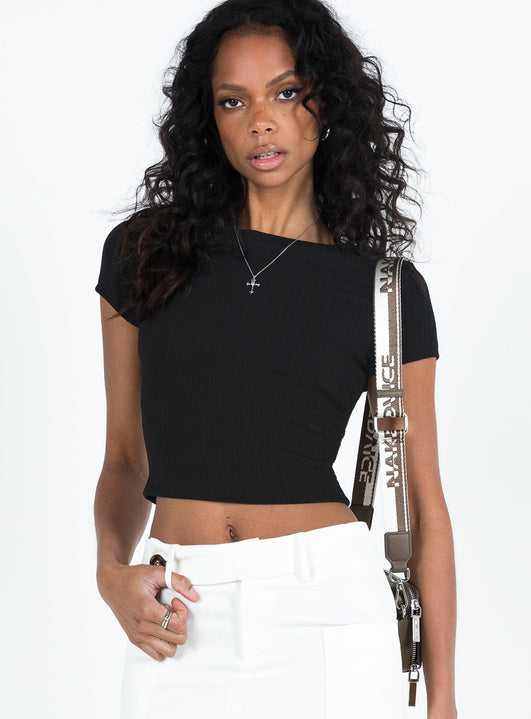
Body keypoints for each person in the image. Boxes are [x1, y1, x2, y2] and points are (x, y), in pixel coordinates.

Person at [94, 1, 457, 717]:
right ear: (209, 119)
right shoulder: (144, 253)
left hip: (328, 610)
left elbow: (425, 506)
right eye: (233, 101)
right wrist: (110, 574)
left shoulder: (385, 291)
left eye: (286, 92)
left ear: (328, 103)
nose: (261, 121)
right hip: (178, 614)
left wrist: (442, 700)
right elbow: (126, 459)